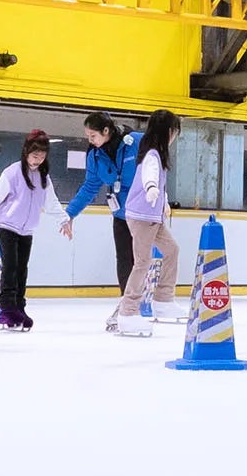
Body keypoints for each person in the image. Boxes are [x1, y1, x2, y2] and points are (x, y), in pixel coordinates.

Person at [0, 128, 63, 331]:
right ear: (26, 152)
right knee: (10, 267)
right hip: (7, 226)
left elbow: (52, 202)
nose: (38, 160)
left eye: (42, 156)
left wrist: (64, 220)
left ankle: (19, 307)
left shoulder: (44, 177)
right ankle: (7, 309)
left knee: (22, 270)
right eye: (35, 155)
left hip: (27, 229)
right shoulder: (12, 172)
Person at [109, 110, 181, 337]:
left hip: (152, 216)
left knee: (172, 250)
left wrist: (164, 201)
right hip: (141, 216)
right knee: (143, 261)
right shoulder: (151, 155)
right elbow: (150, 176)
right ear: (168, 131)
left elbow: (160, 183)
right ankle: (127, 311)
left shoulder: (159, 155)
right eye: (175, 132)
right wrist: (151, 189)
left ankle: (163, 299)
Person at [60, 112, 141, 293]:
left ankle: (152, 299)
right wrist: (70, 213)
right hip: (121, 214)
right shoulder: (95, 156)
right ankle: (126, 302)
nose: (90, 140)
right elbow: (89, 187)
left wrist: (162, 197)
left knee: (143, 258)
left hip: (143, 213)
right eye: (88, 136)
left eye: (93, 136)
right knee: (124, 258)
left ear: (106, 130)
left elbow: (158, 161)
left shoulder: (134, 142)